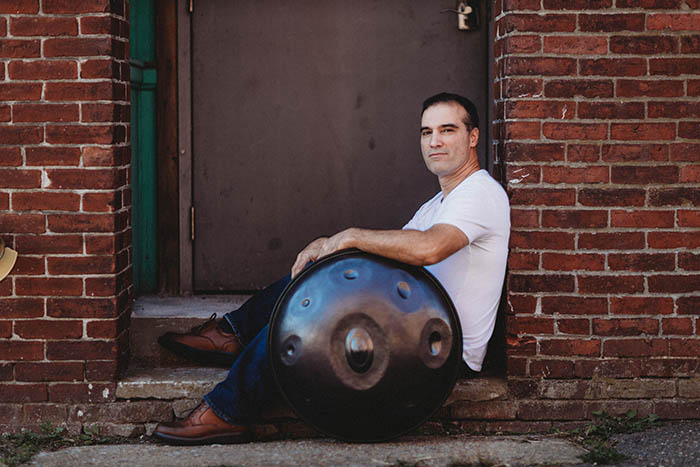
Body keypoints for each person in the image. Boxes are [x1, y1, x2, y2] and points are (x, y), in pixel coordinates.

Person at [153, 92, 510, 445]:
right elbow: (388, 255)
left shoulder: (479, 193)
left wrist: (349, 237)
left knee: (310, 317)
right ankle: (233, 334)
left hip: (440, 350)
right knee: (320, 275)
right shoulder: (440, 202)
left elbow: (430, 248)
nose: (434, 141)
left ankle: (228, 412)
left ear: (472, 136)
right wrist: (329, 245)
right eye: (426, 132)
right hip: (412, 326)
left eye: (447, 130)